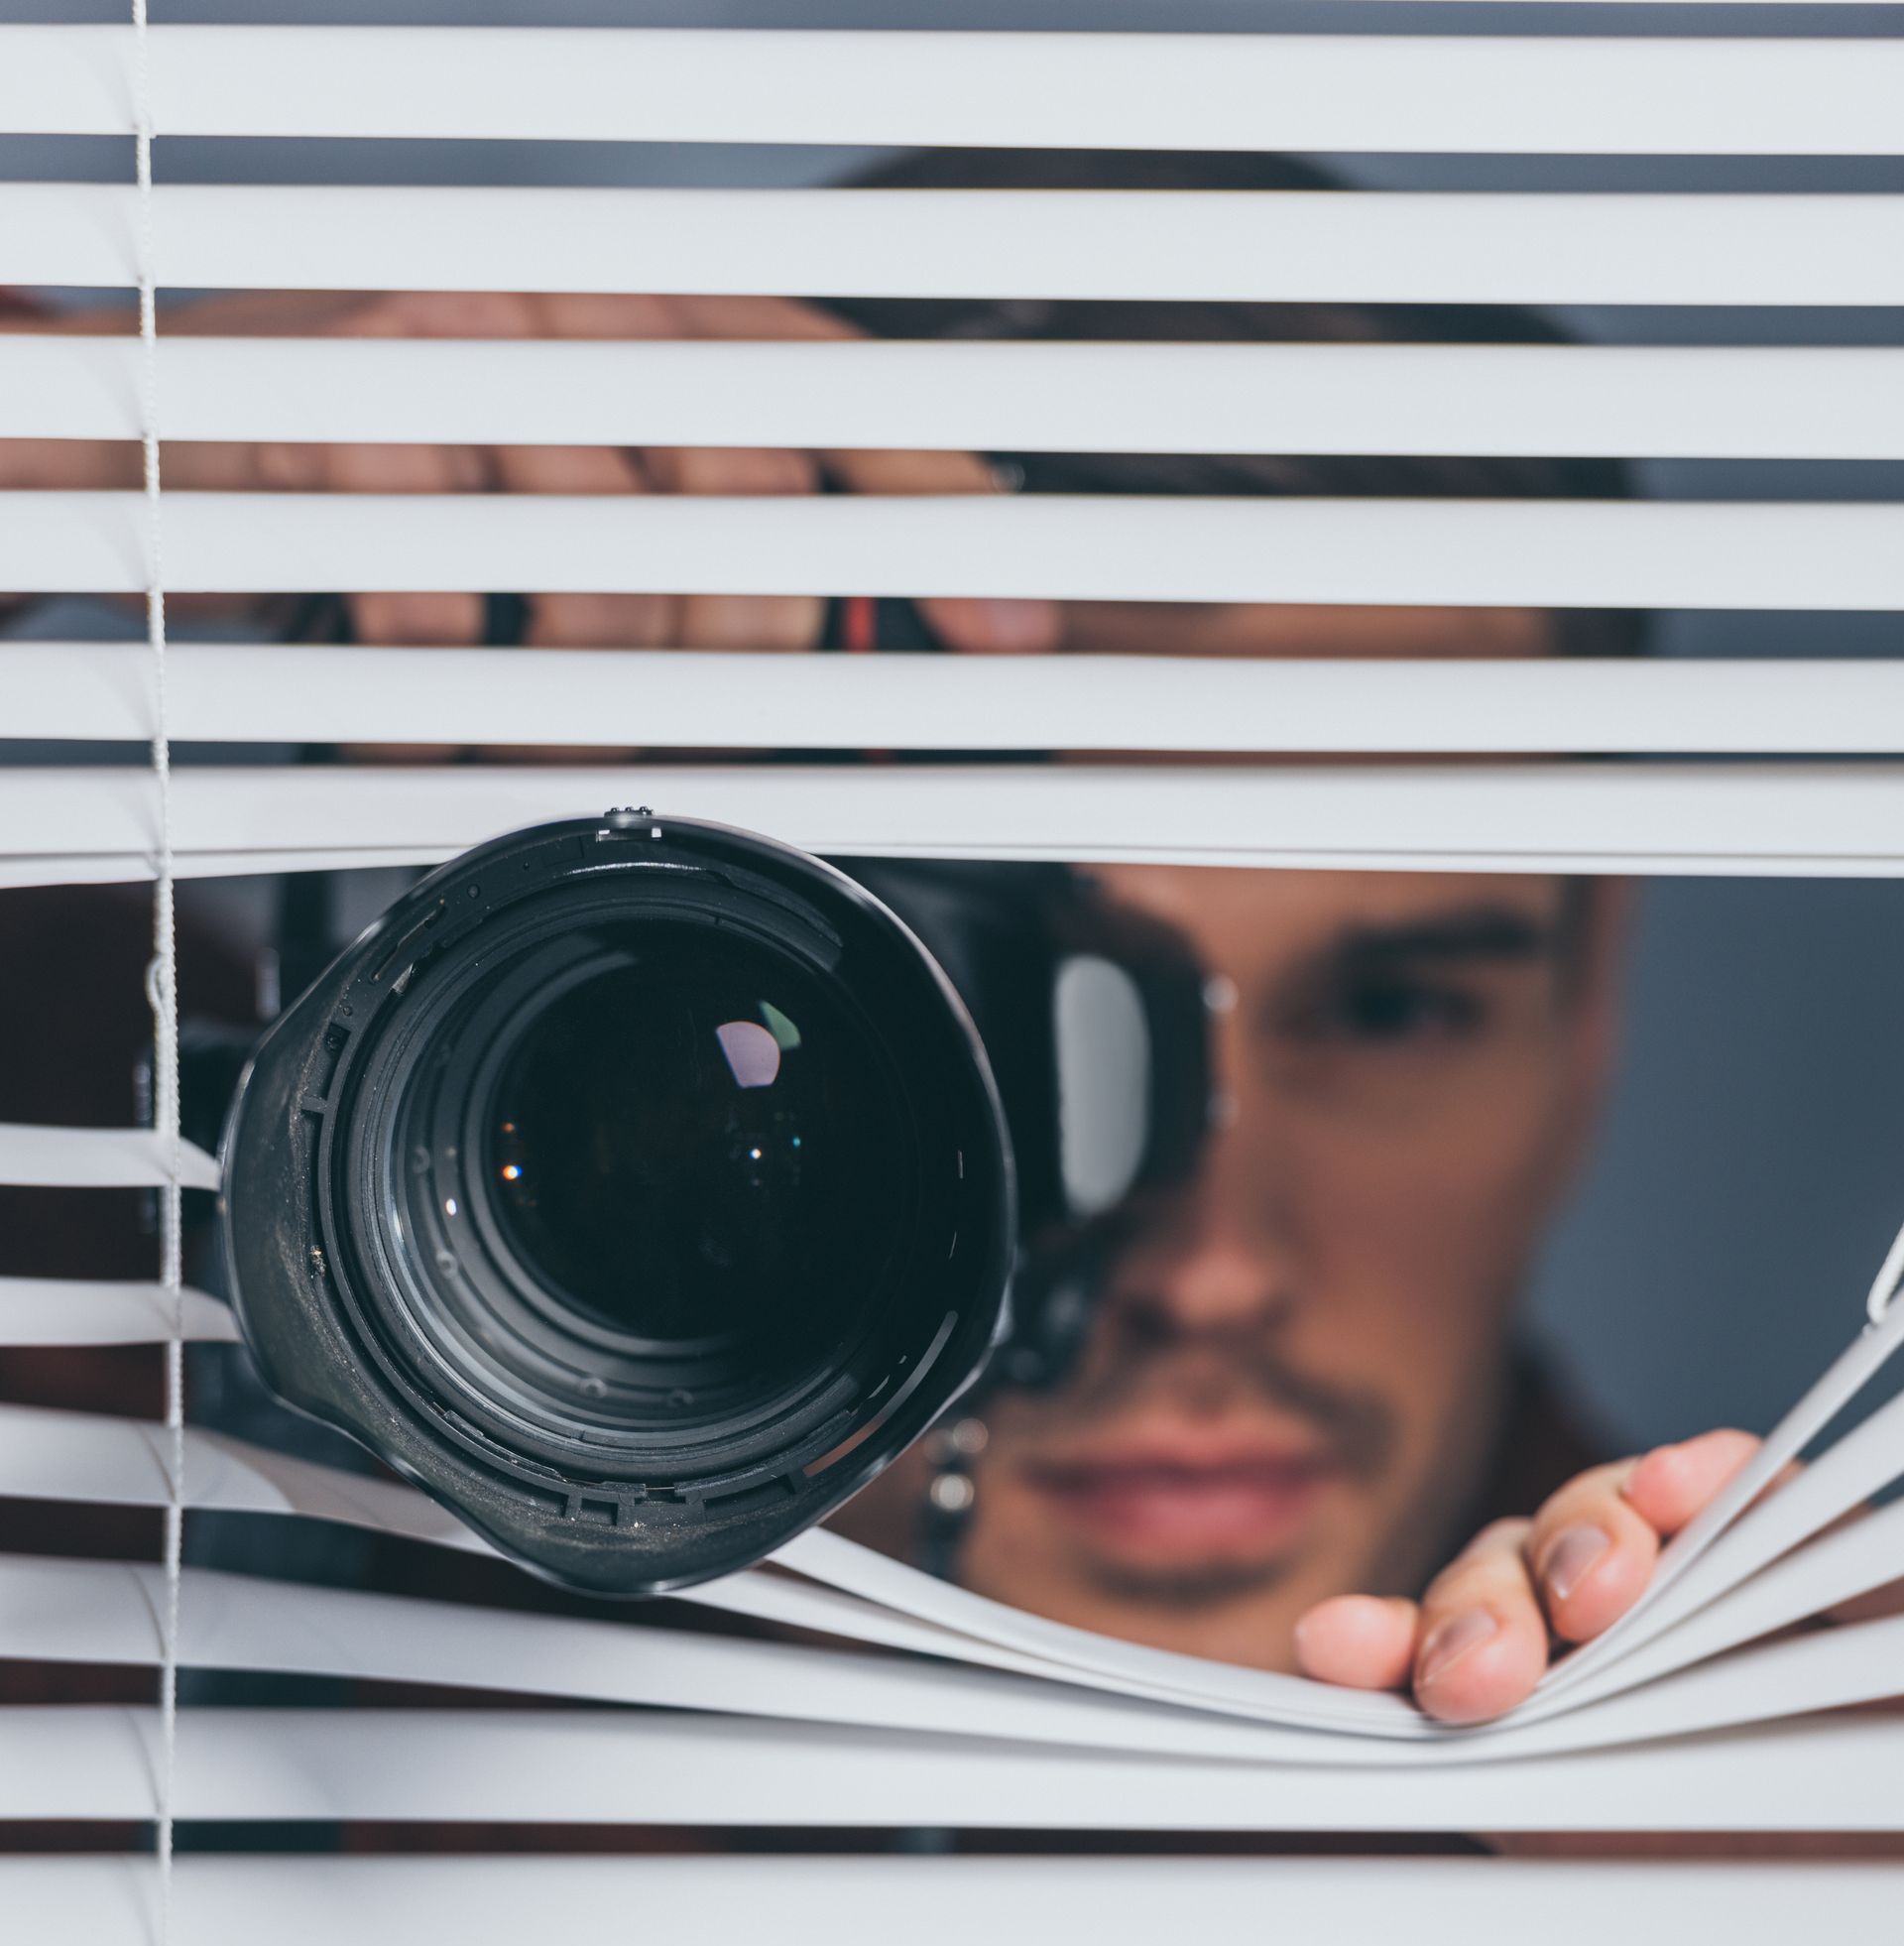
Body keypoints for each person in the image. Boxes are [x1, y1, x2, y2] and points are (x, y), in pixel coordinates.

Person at [0, 148, 1764, 1727]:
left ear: (1591, 999)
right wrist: (82, 433)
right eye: (984, 1008)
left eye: (1384, 1011)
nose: (1205, 1269)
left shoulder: (1794, 1824)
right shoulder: (127, 1524)